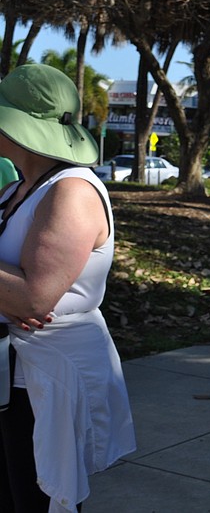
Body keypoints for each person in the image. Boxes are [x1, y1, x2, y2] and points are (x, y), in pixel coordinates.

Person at [0, 64, 136, 512]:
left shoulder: (70, 191)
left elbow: (32, 299)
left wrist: (16, 294)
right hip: (15, 369)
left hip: (43, 375)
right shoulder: (19, 189)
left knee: (35, 497)